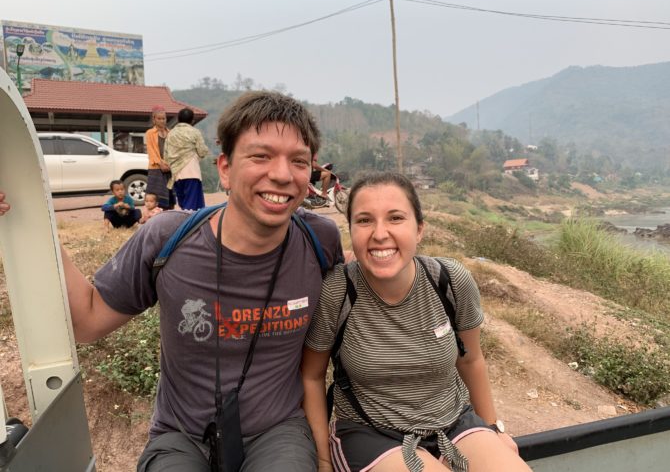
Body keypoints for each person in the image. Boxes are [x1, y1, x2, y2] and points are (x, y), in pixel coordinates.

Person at [0, 91, 343, 472]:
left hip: (277, 432)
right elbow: (88, 319)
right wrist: (30, 216)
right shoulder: (169, 239)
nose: (281, 174)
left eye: (297, 161)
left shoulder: (320, 241)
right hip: (182, 435)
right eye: (261, 156)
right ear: (225, 168)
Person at [301, 172, 530, 472]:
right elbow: (312, 376)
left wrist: (493, 429)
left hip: (453, 422)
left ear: (419, 229)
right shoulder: (338, 291)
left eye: (395, 218)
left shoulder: (449, 281)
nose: (380, 233)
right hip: (370, 433)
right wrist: (322, 460)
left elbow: (471, 359)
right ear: (351, 230)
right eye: (365, 220)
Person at [165, 107, 209, 210]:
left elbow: (166, 155)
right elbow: (202, 151)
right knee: (193, 207)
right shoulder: (194, 132)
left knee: (183, 204)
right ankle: (192, 225)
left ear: (178, 119)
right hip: (191, 172)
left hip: (176, 174)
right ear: (192, 120)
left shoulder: (171, 133)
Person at [145, 105, 176, 210]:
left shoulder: (170, 133)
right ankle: (154, 218)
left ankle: (169, 218)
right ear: (154, 119)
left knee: (170, 195)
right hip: (156, 168)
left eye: (164, 118)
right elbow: (151, 151)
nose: (162, 121)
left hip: (169, 168)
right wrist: (160, 163)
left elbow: (174, 150)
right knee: (155, 196)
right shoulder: (150, 133)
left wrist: (169, 164)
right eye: (159, 118)